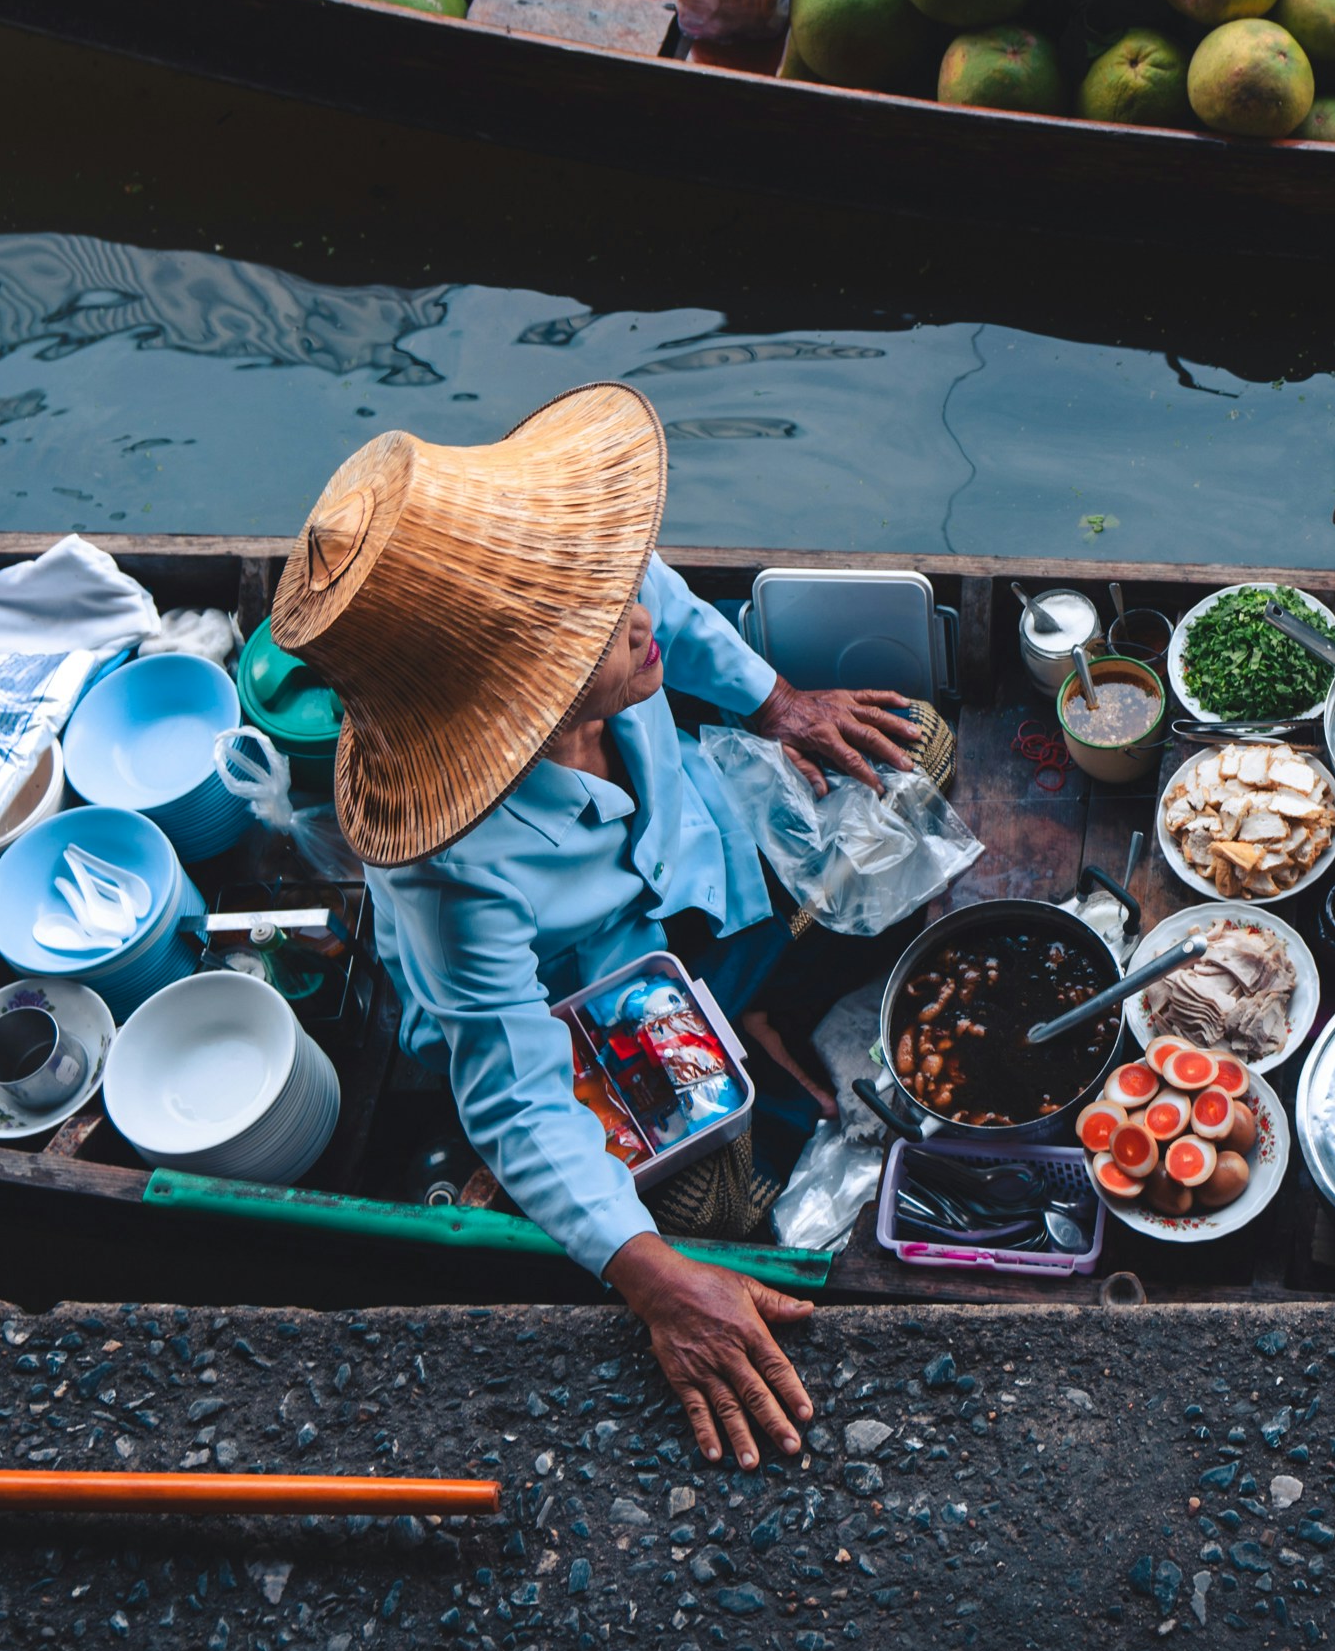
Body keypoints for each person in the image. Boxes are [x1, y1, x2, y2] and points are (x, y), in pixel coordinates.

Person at [271, 384, 921, 1467]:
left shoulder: (593, 584)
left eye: (622, 599)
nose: (638, 621)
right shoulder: (450, 872)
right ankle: (750, 1031)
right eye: (607, 639)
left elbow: (675, 617)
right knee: (712, 1207)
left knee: (909, 757)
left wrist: (780, 706)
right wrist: (656, 1283)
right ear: (523, 708)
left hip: (700, 862)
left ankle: (760, 1008)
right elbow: (516, 1095)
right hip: (599, 997)